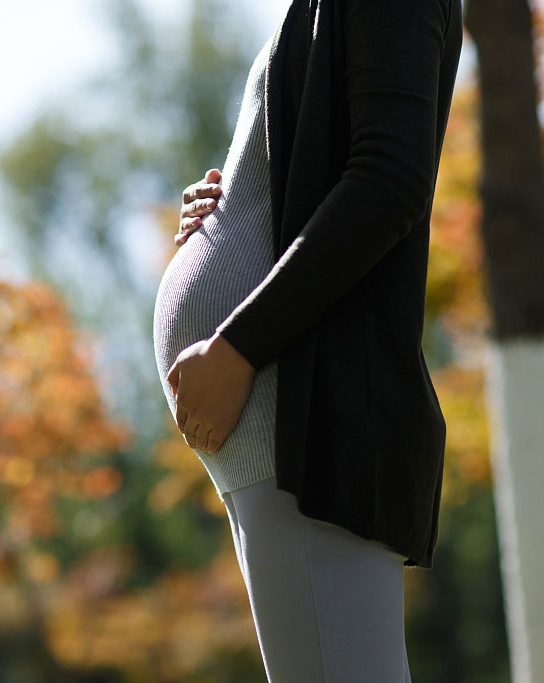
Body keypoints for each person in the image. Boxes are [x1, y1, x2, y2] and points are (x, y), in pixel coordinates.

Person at [151, 0, 463, 679]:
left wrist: (237, 345)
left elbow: (387, 180)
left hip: (308, 413)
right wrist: (230, 205)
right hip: (278, 425)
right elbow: (329, 169)